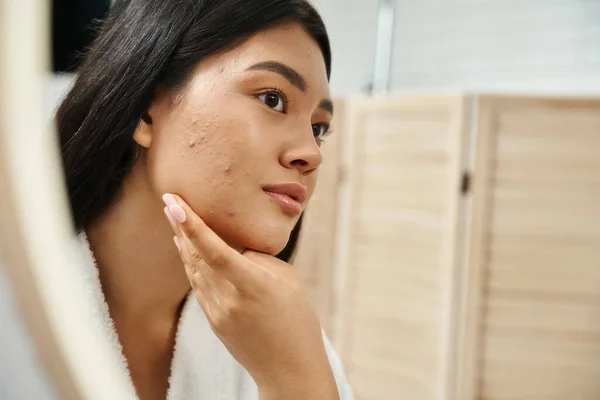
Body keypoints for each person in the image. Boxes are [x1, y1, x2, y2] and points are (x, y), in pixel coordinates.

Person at [55, 0, 352, 399]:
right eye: (272, 99)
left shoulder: (287, 347)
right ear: (146, 111)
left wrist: (295, 383)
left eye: (319, 128)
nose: (311, 154)